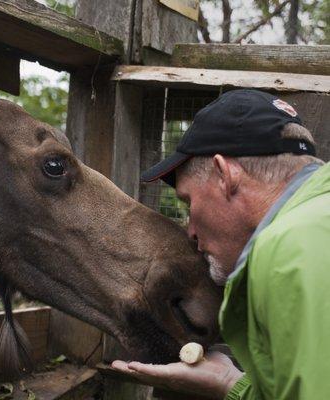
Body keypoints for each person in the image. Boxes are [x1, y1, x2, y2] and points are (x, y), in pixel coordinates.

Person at [112, 89, 330, 399]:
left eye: (188, 202)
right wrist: (230, 383)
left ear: (224, 175)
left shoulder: (291, 248)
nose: (190, 231)